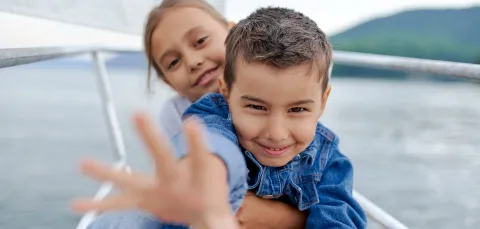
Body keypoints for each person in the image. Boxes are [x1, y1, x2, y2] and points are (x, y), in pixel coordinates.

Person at [73, 5, 366, 229]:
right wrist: (210, 196)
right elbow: (211, 146)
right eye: (256, 107)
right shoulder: (211, 113)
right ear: (225, 92)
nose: (276, 132)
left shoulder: (327, 156)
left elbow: (338, 213)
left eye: (297, 109)